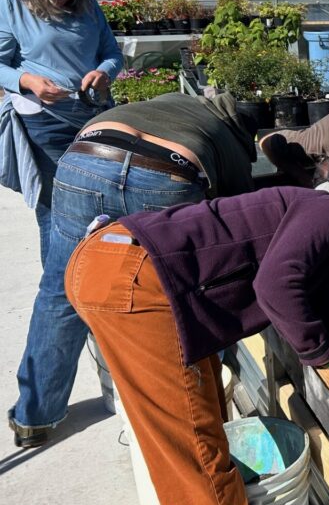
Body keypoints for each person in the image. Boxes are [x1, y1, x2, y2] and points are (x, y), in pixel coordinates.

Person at [65, 182, 329, 505]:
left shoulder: (320, 217)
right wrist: (324, 354)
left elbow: (322, 297)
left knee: (204, 424)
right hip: (136, 283)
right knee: (198, 457)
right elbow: (277, 287)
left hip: (119, 264)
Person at [8, 91, 257, 447]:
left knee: (61, 289)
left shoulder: (171, 103)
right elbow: (238, 217)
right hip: (165, 177)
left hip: (86, 162)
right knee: (179, 296)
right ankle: (185, 411)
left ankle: (34, 417)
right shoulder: (226, 136)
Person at [0, 0, 123, 442]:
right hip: (44, 128)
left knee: (92, 248)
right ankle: (37, 407)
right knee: (66, 264)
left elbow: (111, 52)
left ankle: (83, 380)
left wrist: (102, 72)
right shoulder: (10, 1)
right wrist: (28, 79)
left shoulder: (88, 6)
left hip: (90, 119)